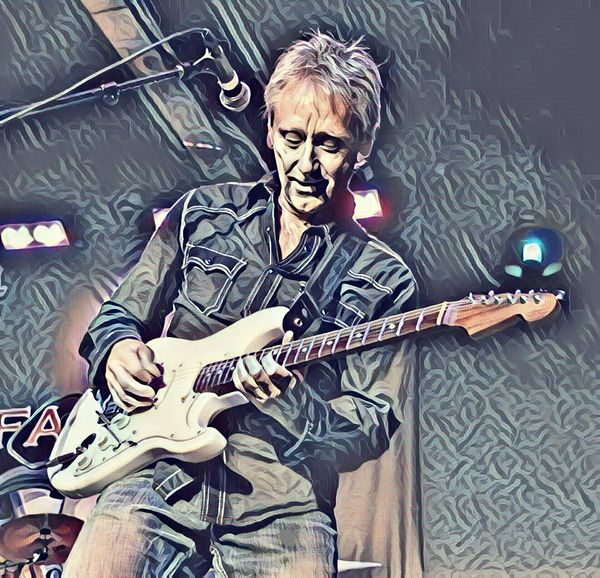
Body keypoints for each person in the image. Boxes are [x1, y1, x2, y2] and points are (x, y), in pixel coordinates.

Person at [63, 31, 416, 578]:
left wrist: (295, 404)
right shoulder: (203, 214)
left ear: (362, 146)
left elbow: (371, 423)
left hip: (282, 503)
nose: (306, 163)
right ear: (270, 130)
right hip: (156, 477)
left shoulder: (382, 277)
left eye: (329, 144)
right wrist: (118, 349)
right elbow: (120, 314)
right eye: (292, 137)